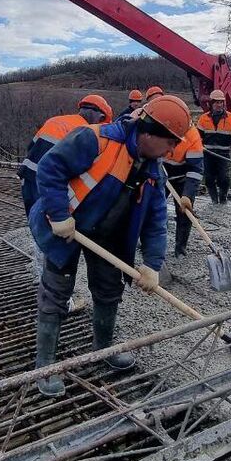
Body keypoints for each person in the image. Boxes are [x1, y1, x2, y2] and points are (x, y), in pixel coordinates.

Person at [29, 94, 190, 396]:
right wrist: (59, 214)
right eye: (171, 142)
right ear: (149, 132)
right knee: (56, 292)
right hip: (67, 228)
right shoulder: (96, 140)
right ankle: (45, 364)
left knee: (108, 291)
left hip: (107, 236)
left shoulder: (154, 170)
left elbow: (156, 221)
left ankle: (102, 349)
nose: (173, 149)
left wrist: (152, 264)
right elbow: (50, 168)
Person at [18, 95, 113, 214]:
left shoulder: (55, 120)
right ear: (100, 116)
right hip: (48, 182)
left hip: (27, 176)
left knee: (35, 220)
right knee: (49, 225)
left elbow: (31, 147)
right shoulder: (85, 131)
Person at [162, 118, 204, 256]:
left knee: (185, 212)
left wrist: (187, 194)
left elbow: (195, 170)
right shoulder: (161, 127)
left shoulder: (193, 137)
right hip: (160, 174)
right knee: (151, 208)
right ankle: (150, 244)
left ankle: (180, 248)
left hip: (182, 178)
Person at [197, 89, 231, 204]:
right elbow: (197, 136)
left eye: (221, 102)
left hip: (223, 154)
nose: (219, 105)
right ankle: (214, 201)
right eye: (216, 102)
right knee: (209, 179)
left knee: (224, 178)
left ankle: (223, 199)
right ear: (211, 103)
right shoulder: (203, 118)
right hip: (208, 153)